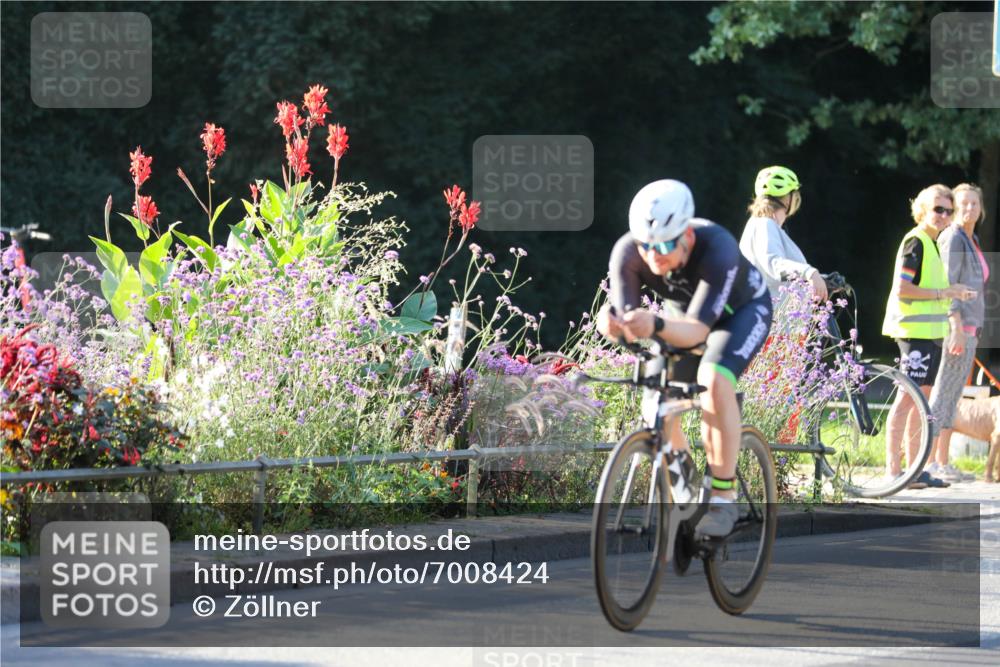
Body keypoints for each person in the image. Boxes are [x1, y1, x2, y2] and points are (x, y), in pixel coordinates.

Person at [596, 179, 772, 538]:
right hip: (684, 319)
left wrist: (656, 323)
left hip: (740, 315)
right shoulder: (628, 253)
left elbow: (696, 332)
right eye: (646, 246)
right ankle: (687, 485)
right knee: (654, 404)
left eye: (663, 245)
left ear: (687, 236)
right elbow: (624, 315)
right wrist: (612, 324)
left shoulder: (716, 247)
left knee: (714, 379)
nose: (653, 255)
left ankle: (724, 498)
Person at [882, 184, 976, 489]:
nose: (944, 215)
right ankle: (894, 472)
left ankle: (913, 470)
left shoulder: (933, 243)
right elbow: (902, 288)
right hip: (913, 333)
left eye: (949, 211)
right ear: (922, 209)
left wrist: (951, 296)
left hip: (930, 335)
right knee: (907, 400)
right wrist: (945, 292)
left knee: (920, 402)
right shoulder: (916, 242)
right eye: (938, 209)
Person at [926, 183, 988, 483]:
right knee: (942, 394)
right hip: (957, 328)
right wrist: (955, 328)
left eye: (973, 204)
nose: (968, 209)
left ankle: (941, 461)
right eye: (962, 204)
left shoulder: (970, 238)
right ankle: (923, 462)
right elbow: (947, 283)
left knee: (952, 396)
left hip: (970, 328)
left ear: (981, 208)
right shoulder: (953, 237)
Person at [739, 166, 827, 301]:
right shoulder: (764, 224)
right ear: (788, 199)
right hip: (770, 317)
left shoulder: (766, 226)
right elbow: (773, 262)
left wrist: (822, 279)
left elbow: (780, 275)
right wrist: (809, 272)